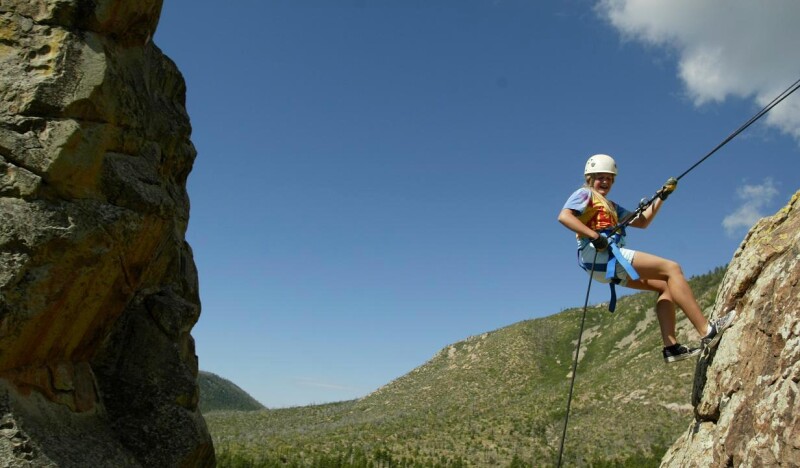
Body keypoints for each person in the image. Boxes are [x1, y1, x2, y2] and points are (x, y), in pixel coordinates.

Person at [557, 154, 736, 363]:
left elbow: (641, 221)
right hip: (601, 255)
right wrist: (595, 236)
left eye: (609, 178)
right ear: (589, 178)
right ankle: (707, 330)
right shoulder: (584, 194)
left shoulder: (611, 206)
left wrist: (661, 196)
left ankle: (671, 348)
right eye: (600, 177)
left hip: (603, 262)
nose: (605, 181)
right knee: (672, 268)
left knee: (665, 286)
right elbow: (564, 216)